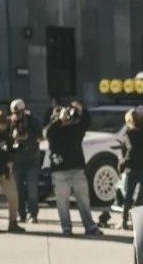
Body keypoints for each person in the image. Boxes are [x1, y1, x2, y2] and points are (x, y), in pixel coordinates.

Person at [43, 101, 102, 236]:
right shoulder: (53, 132)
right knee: (62, 203)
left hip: (77, 170)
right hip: (59, 171)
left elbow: (86, 122)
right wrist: (59, 120)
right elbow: (47, 132)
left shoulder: (74, 129)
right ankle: (66, 228)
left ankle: (90, 227)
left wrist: (81, 109)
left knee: (84, 201)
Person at [9, 99, 43, 224]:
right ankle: (20, 214)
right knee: (17, 190)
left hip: (31, 159)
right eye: (14, 113)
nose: (17, 115)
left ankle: (32, 213)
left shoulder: (33, 122)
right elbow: (6, 139)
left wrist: (28, 139)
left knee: (32, 188)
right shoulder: (10, 123)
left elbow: (41, 137)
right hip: (16, 161)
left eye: (19, 112)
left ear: (24, 111)